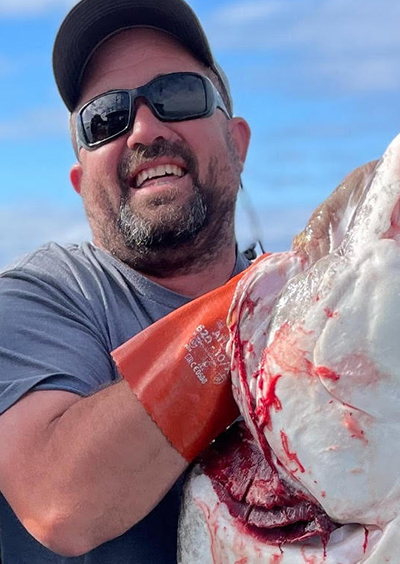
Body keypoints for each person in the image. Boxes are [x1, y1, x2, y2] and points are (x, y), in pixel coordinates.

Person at [0, 0, 252, 561]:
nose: (143, 129)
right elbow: (58, 501)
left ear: (238, 142)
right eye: (104, 118)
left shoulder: (317, 302)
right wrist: (267, 308)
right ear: (79, 181)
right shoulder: (33, 298)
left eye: (179, 95)